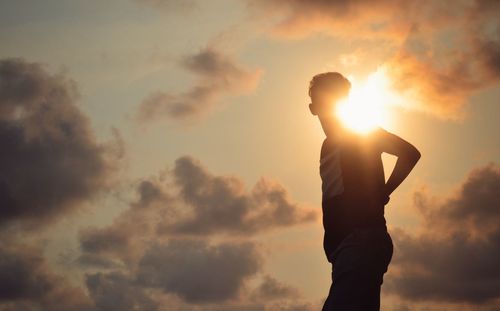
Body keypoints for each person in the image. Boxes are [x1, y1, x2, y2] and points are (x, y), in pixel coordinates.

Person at [308, 72, 421, 310]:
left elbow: (410, 153)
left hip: (361, 242)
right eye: (324, 101)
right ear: (313, 108)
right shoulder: (328, 146)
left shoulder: (361, 133)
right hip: (345, 249)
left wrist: (385, 190)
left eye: (335, 99)